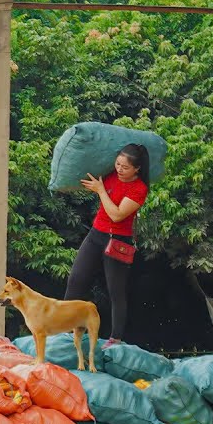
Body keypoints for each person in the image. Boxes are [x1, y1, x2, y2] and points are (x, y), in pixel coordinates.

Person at [64, 143, 150, 349]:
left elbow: (117, 214)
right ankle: (65, 328)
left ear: (137, 169)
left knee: (115, 290)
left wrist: (101, 191)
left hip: (118, 241)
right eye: (118, 164)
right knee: (76, 279)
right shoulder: (110, 173)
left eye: (125, 167)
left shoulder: (139, 189)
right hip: (96, 235)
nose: (119, 169)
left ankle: (115, 339)